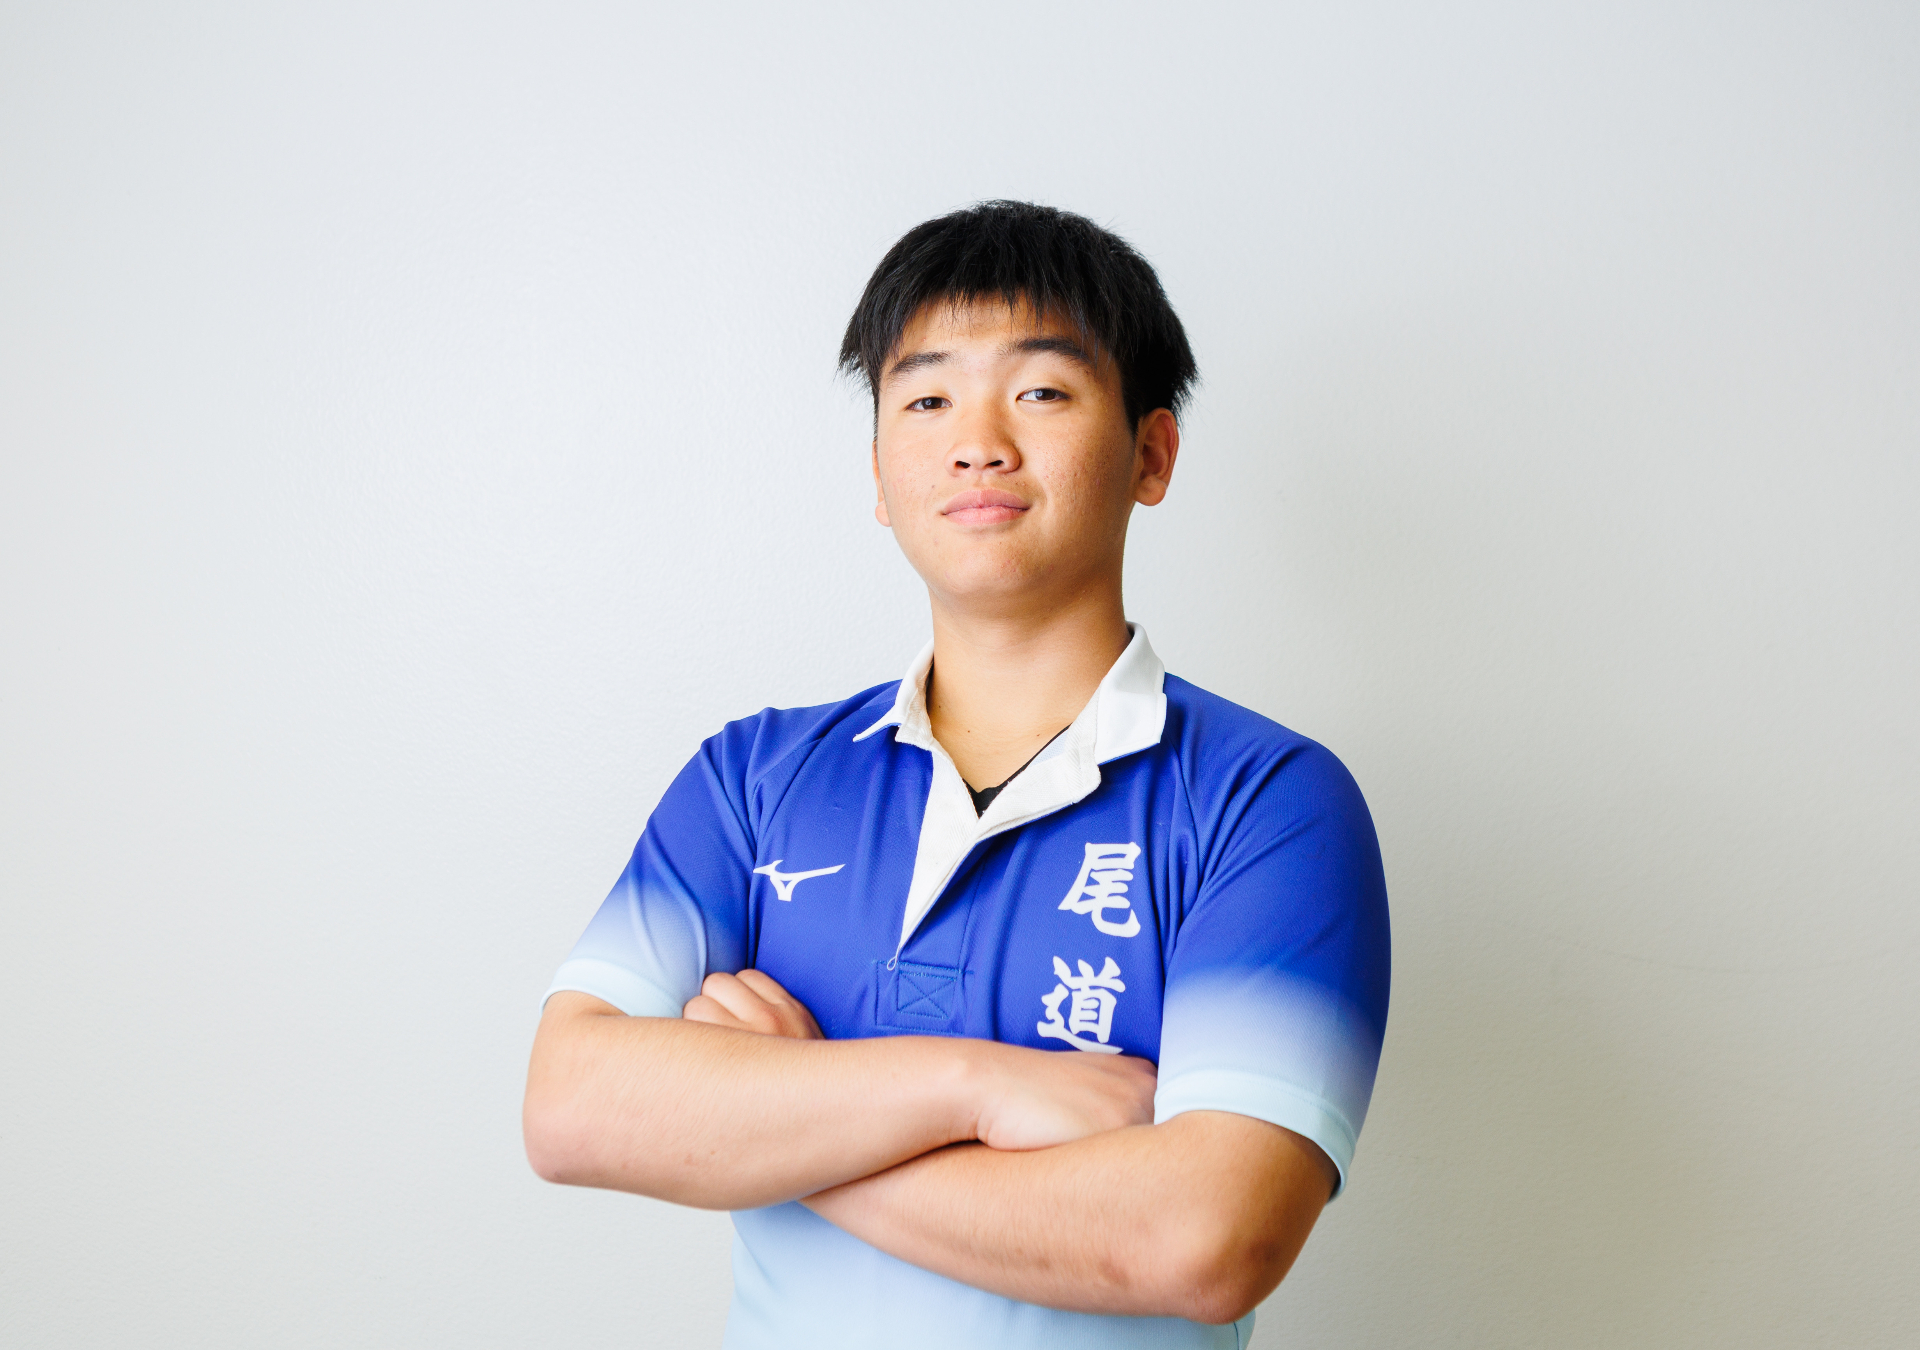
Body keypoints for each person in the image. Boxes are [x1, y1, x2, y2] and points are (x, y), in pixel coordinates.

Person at [523, 200, 1391, 1349]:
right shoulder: (753, 779)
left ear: (1152, 453)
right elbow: (571, 1108)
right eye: (927, 400)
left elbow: (1205, 1237)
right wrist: (973, 1088)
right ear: (880, 476)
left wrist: (783, 1117)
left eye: (1042, 391)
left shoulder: (1265, 802)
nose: (977, 442)